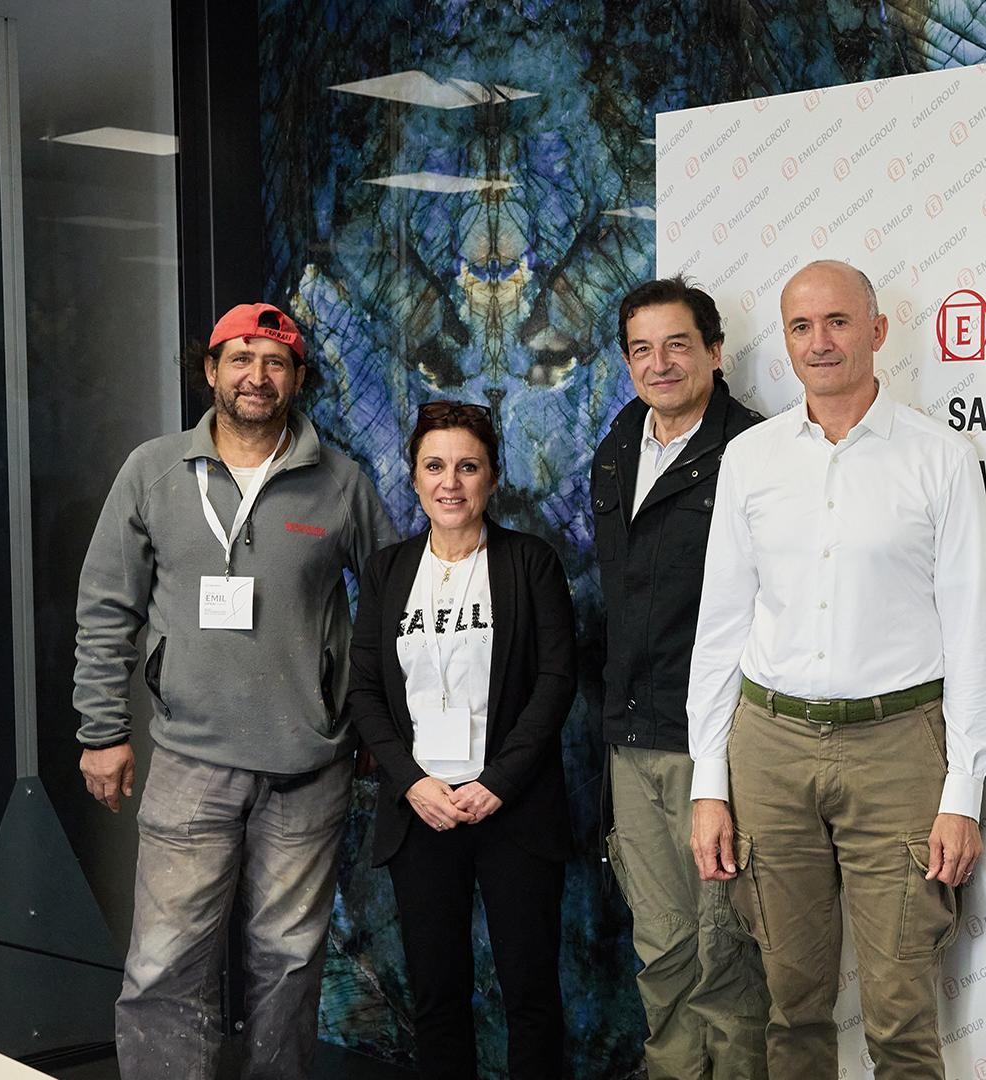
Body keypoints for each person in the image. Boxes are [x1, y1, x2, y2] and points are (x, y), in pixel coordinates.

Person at [685, 258, 986, 1078]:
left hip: (897, 751)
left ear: (877, 331)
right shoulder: (751, 458)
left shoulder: (939, 456)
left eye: (837, 322)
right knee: (792, 1009)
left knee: (900, 1018)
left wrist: (963, 791)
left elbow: (969, 633)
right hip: (769, 747)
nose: (819, 342)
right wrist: (709, 784)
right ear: (785, 342)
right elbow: (720, 630)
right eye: (800, 326)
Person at [72, 302, 397, 1079]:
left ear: (298, 378)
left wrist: (373, 724)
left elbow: (393, 607)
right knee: (163, 964)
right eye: (241, 359)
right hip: (190, 760)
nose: (258, 376)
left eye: (276, 361)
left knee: (289, 965)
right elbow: (106, 605)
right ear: (211, 370)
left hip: (307, 768)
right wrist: (102, 731)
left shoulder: (342, 483)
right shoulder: (152, 470)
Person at [345, 400, 575, 1078]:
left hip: (513, 809)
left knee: (530, 993)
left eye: (468, 467)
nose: (451, 482)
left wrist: (498, 782)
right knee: (438, 996)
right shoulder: (387, 572)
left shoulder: (530, 563)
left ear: (493, 478)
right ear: (414, 478)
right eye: (435, 466)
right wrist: (412, 783)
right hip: (423, 812)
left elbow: (556, 681)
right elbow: (365, 691)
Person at [592, 276, 768, 1079]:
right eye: (641, 349)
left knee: (725, 955)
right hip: (631, 741)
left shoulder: (756, 452)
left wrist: (722, 759)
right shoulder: (617, 447)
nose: (659, 364)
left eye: (677, 345)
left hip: (715, 746)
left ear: (714, 352)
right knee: (661, 951)